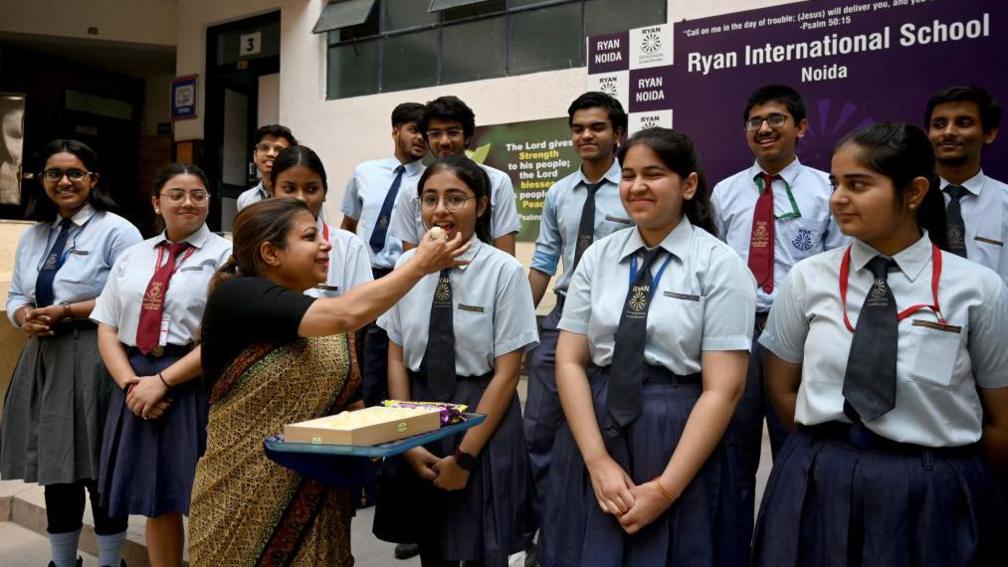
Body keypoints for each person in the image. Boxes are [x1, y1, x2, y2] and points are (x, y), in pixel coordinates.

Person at [753, 122, 1008, 566]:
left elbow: (1002, 419)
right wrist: (833, 456)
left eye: (858, 184)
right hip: (818, 481)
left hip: (931, 491)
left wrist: (931, 469)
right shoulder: (807, 280)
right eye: (835, 183)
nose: (837, 198)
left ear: (914, 192)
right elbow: (782, 387)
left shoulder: (977, 289)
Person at [187, 198, 469, 566]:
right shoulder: (237, 296)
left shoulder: (318, 316)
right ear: (270, 252)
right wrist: (419, 264)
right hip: (242, 495)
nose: (327, 244)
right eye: (309, 237)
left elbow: (349, 408)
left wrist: (408, 445)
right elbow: (346, 313)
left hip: (318, 499)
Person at [542, 128, 754, 566]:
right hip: (595, 425)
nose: (636, 186)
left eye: (653, 174)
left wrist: (665, 488)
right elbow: (569, 360)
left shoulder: (719, 264)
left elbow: (724, 389)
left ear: (688, 185)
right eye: (629, 175)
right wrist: (597, 460)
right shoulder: (598, 258)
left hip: (680, 432)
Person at [372, 155, 538, 567]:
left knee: (482, 544)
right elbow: (396, 358)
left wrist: (464, 457)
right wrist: (407, 440)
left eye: (455, 198)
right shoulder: (406, 268)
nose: (441, 210)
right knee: (434, 544)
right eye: (430, 199)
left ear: (481, 206)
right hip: (419, 411)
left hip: (482, 414)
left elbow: (507, 372)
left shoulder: (504, 272)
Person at [710, 84, 847, 529]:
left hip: (801, 337)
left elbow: (840, 270)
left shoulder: (827, 191)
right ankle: (732, 548)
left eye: (776, 119)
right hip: (736, 335)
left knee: (799, 447)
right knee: (732, 450)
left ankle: (792, 545)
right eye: (755, 122)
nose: (764, 129)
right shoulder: (725, 194)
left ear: (801, 127)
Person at [1, 139, 142, 567]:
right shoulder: (34, 235)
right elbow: (16, 296)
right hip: (45, 359)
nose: (64, 181)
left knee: (100, 467)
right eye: (54, 174)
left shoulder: (117, 231)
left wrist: (67, 310)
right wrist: (25, 316)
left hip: (97, 356)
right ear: (41, 181)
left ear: (93, 179)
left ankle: (110, 561)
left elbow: (130, 296)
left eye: (75, 173)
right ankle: (63, 562)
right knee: (56, 466)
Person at [91, 163, 231, 567]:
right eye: (176, 194)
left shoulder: (228, 256)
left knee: (206, 497)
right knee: (157, 501)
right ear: (156, 202)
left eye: (198, 195)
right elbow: (107, 326)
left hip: (197, 381)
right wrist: (131, 385)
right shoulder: (132, 257)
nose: (188, 202)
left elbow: (225, 336)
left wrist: (164, 382)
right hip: (135, 381)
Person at [523, 91, 630, 561]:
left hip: (618, 326)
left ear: (617, 134)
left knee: (605, 433)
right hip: (562, 319)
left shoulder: (633, 186)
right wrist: (521, 322)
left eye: (597, 127)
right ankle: (545, 538)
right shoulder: (558, 192)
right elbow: (545, 260)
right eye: (578, 128)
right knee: (540, 434)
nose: (586, 135)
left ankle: (601, 533)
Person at [341, 102, 427, 407]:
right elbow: (349, 225)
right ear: (395, 131)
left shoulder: (430, 180)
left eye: (425, 132)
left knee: (393, 355)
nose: (421, 138)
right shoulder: (364, 172)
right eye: (414, 130)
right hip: (366, 277)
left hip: (408, 277)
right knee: (360, 354)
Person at [388, 95, 521, 256]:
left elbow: (506, 255)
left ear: (467, 138)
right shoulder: (411, 190)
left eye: (452, 132)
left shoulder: (497, 182)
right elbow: (410, 261)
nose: (444, 141)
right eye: (435, 134)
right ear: (427, 139)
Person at [924, 86, 1008, 285]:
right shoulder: (907, 202)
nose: (948, 132)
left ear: (989, 133)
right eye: (939, 124)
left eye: (963, 123)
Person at [270, 145, 372, 300]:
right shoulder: (258, 244)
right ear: (272, 192)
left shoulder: (349, 246)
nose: (300, 199)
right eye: (289, 189)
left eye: (311, 189)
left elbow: (363, 310)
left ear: (324, 191)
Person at [235, 124, 297, 212]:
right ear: (255, 156)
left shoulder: (298, 196)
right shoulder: (245, 199)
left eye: (279, 150)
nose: (270, 154)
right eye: (264, 148)